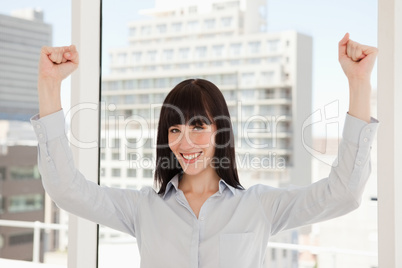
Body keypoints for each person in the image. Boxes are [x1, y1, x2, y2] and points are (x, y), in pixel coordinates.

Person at [31, 33, 379, 268]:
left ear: (220, 132)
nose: (185, 142)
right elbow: (66, 189)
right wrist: (49, 86)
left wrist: (358, 82)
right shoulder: (142, 209)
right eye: (175, 129)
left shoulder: (259, 206)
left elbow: (344, 194)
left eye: (198, 126)